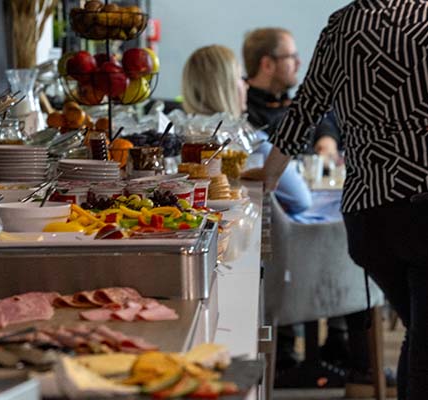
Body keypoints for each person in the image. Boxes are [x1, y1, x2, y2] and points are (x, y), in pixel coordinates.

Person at [244, 1, 428, 399]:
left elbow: (306, 108)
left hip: (369, 217)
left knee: (421, 330)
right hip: (422, 203)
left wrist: (267, 179)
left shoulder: (343, 23)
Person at [181, 45, 311, 214]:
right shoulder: (248, 142)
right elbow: (301, 199)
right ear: (224, 87)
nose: (247, 85)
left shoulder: (179, 137)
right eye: (241, 78)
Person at [242, 27, 341, 159]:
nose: (299, 63)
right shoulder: (244, 113)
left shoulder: (286, 100)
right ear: (267, 65)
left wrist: (327, 138)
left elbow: (320, 121)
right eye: (291, 57)